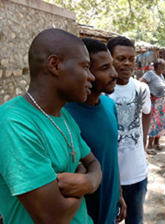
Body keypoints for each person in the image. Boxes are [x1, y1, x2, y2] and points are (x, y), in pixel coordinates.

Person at [0, 28, 102, 223]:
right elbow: (53, 217)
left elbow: (93, 163)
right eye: (85, 67)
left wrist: (88, 181)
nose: (91, 77)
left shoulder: (63, 115)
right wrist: (83, 173)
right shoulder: (14, 124)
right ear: (54, 65)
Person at [65, 38, 126, 224]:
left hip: (110, 211)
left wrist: (119, 194)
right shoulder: (65, 116)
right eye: (104, 68)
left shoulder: (109, 105)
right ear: (86, 72)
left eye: (112, 66)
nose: (114, 74)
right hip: (85, 216)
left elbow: (111, 155)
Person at [107, 36, 152, 224]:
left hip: (137, 175)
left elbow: (147, 113)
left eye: (131, 59)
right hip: (109, 178)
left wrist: (142, 143)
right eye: (120, 58)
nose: (127, 63)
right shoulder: (102, 92)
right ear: (109, 59)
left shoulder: (142, 88)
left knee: (136, 221)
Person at [140, 59, 165, 152]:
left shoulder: (161, 75)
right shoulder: (150, 74)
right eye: (162, 67)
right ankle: (149, 145)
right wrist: (149, 94)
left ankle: (156, 143)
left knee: (161, 123)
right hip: (155, 104)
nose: (163, 69)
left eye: (164, 67)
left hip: (163, 104)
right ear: (156, 67)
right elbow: (140, 83)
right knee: (153, 124)